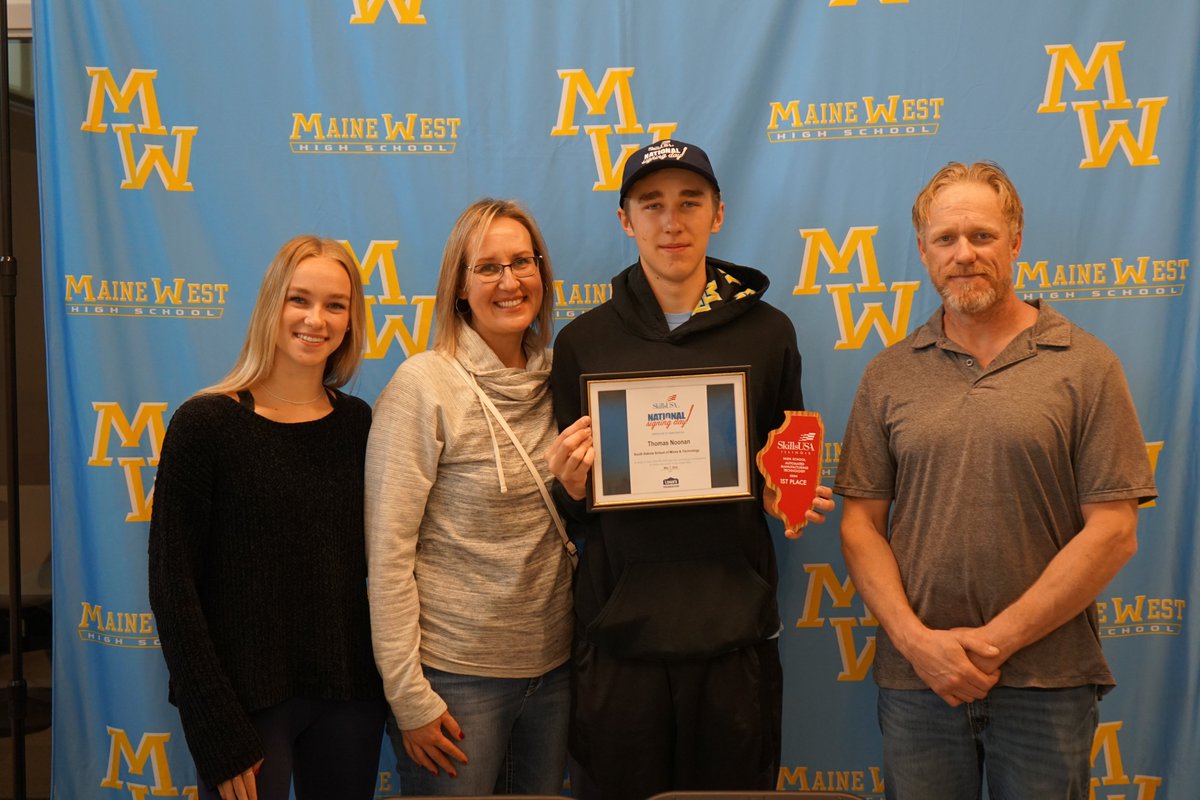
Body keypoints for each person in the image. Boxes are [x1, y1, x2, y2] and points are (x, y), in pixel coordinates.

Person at [834, 162, 1157, 800]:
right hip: (917, 685)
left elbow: (1115, 532)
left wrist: (989, 645)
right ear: (923, 250)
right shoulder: (889, 374)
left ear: (1015, 242)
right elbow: (860, 525)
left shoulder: (1087, 366)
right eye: (945, 239)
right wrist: (918, 644)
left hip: (1048, 683)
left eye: (982, 236)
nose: (964, 255)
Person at [547, 139, 835, 800]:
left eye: (689, 202)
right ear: (626, 220)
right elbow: (576, 510)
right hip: (620, 637)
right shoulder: (582, 342)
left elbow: (784, 463)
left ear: (718, 213)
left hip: (733, 636)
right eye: (652, 205)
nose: (671, 222)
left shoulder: (769, 332)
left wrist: (787, 497)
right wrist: (566, 487)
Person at [148, 235, 386, 800]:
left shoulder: (360, 425)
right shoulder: (205, 425)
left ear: (351, 320)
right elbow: (173, 589)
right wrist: (214, 729)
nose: (315, 319)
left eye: (335, 304)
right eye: (299, 299)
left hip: (351, 698)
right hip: (244, 708)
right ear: (271, 305)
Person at [365, 198, 588, 795]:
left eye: (523, 262)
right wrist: (409, 696)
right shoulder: (423, 385)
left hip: (555, 672)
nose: (510, 281)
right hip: (456, 681)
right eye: (487, 267)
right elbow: (387, 556)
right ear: (459, 287)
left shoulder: (564, 380)